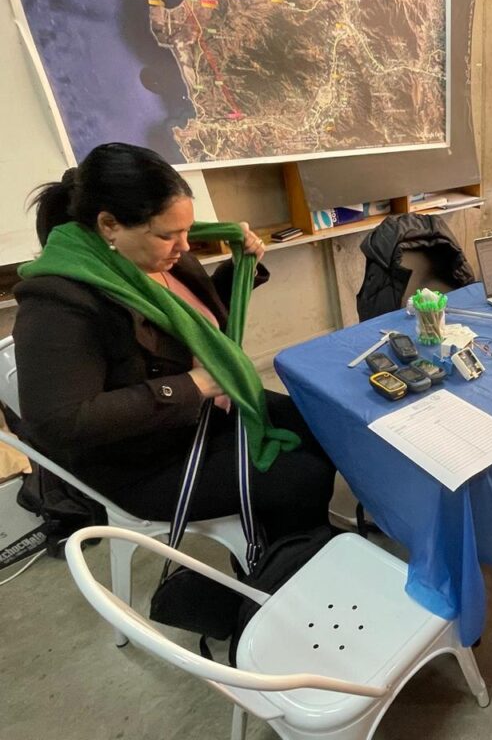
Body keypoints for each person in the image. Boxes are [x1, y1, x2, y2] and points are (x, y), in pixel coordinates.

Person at [13, 143, 334, 544]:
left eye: (186, 230)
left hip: (209, 413)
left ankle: (291, 537)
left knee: (325, 423)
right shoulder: (60, 300)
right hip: (146, 460)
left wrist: (241, 268)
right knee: (302, 476)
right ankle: (287, 563)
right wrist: (192, 386)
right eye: (168, 234)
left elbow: (194, 323)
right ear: (110, 225)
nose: (184, 246)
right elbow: (58, 423)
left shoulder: (163, 256)